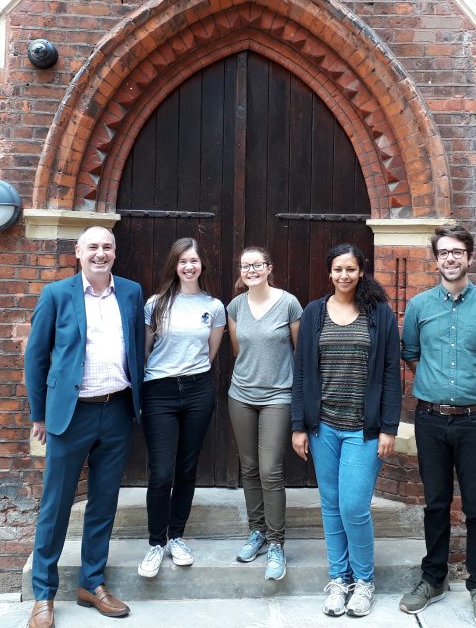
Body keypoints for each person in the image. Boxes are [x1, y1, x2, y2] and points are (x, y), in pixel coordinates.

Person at [398, 224, 476, 626]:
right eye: (443, 253)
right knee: (435, 503)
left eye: (457, 252)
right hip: (430, 420)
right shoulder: (419, 306)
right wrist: (436, 388)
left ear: (469, 256)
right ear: (436, 259)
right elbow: (411, 354)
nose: (450, 259)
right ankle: (433, 579)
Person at [24, 226, 145, 628]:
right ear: (78, 251)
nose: (100, 253)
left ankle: (92, 583)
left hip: (116, 410)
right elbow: (36, 357)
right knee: (56, 505)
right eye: (92, 246)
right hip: (70, 415)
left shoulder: (131, 292)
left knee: (104, 503)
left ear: (115, 252)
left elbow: (137, 350)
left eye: (107, 247)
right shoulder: (56, 295)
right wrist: (39, 415)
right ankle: (44, 593)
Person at [291, 243, 401, 618]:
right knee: (331, 506)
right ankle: (339, 579)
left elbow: (391, 374)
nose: (344, 275)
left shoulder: (380, 314)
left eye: (350, 269)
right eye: (338, 269)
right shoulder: (314, 312)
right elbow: (301, 372)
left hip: (363, 430)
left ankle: (364, 581)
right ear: (329, 272)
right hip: (323, 427)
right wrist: (299, 425)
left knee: (353, 506)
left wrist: (389, 428)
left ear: (361, 271)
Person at [138, 237, 226, 578]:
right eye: (183, 261)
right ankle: (155, 543)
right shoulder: (156, 304)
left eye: (194, 261)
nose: (189, 266)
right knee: (162, 472)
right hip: (159, 390)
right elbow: (146, 351)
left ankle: (176, 537)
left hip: (197, 390)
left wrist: (189, 374)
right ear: (174, 265)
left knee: (187, 468)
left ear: (202, 265)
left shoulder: (214, 307)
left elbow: (211, 353)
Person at [227, 246, 303, 580]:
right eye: (246, 266)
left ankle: (276, 542)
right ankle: (257, 532)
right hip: (241, 395)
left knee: (270, 469)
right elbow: (238, 350)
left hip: (278, 396)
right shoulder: (235, 306)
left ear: (269, 268)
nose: (251, 270)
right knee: (249, 467)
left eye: (257, 265)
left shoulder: (289, 303)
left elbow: (300, 353)